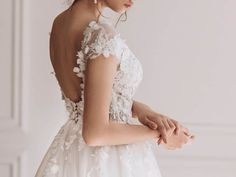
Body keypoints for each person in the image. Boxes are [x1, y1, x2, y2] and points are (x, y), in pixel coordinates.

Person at [34, 0, 195, 176]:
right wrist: (161, 134)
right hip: (108, 160)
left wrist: (142, 110)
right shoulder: (102, 37)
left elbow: (89, 97)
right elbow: (95, 133)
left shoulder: (60, 23)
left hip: (71, 153)